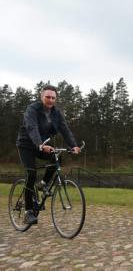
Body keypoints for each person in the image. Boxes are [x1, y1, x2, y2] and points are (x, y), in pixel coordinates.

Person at [16, 85, 81, 225]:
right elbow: (31, 127)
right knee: (31, 174)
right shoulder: (32, 109)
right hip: (27, 145)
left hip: (43, 145)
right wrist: (40, 144)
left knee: (57, 157)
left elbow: (65, 129)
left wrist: (73, 145)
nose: (50, 100)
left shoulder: (56, 113)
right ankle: (28, 212)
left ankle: (43, 184)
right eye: (48, 97)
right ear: (41, 97)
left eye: (53, 98)